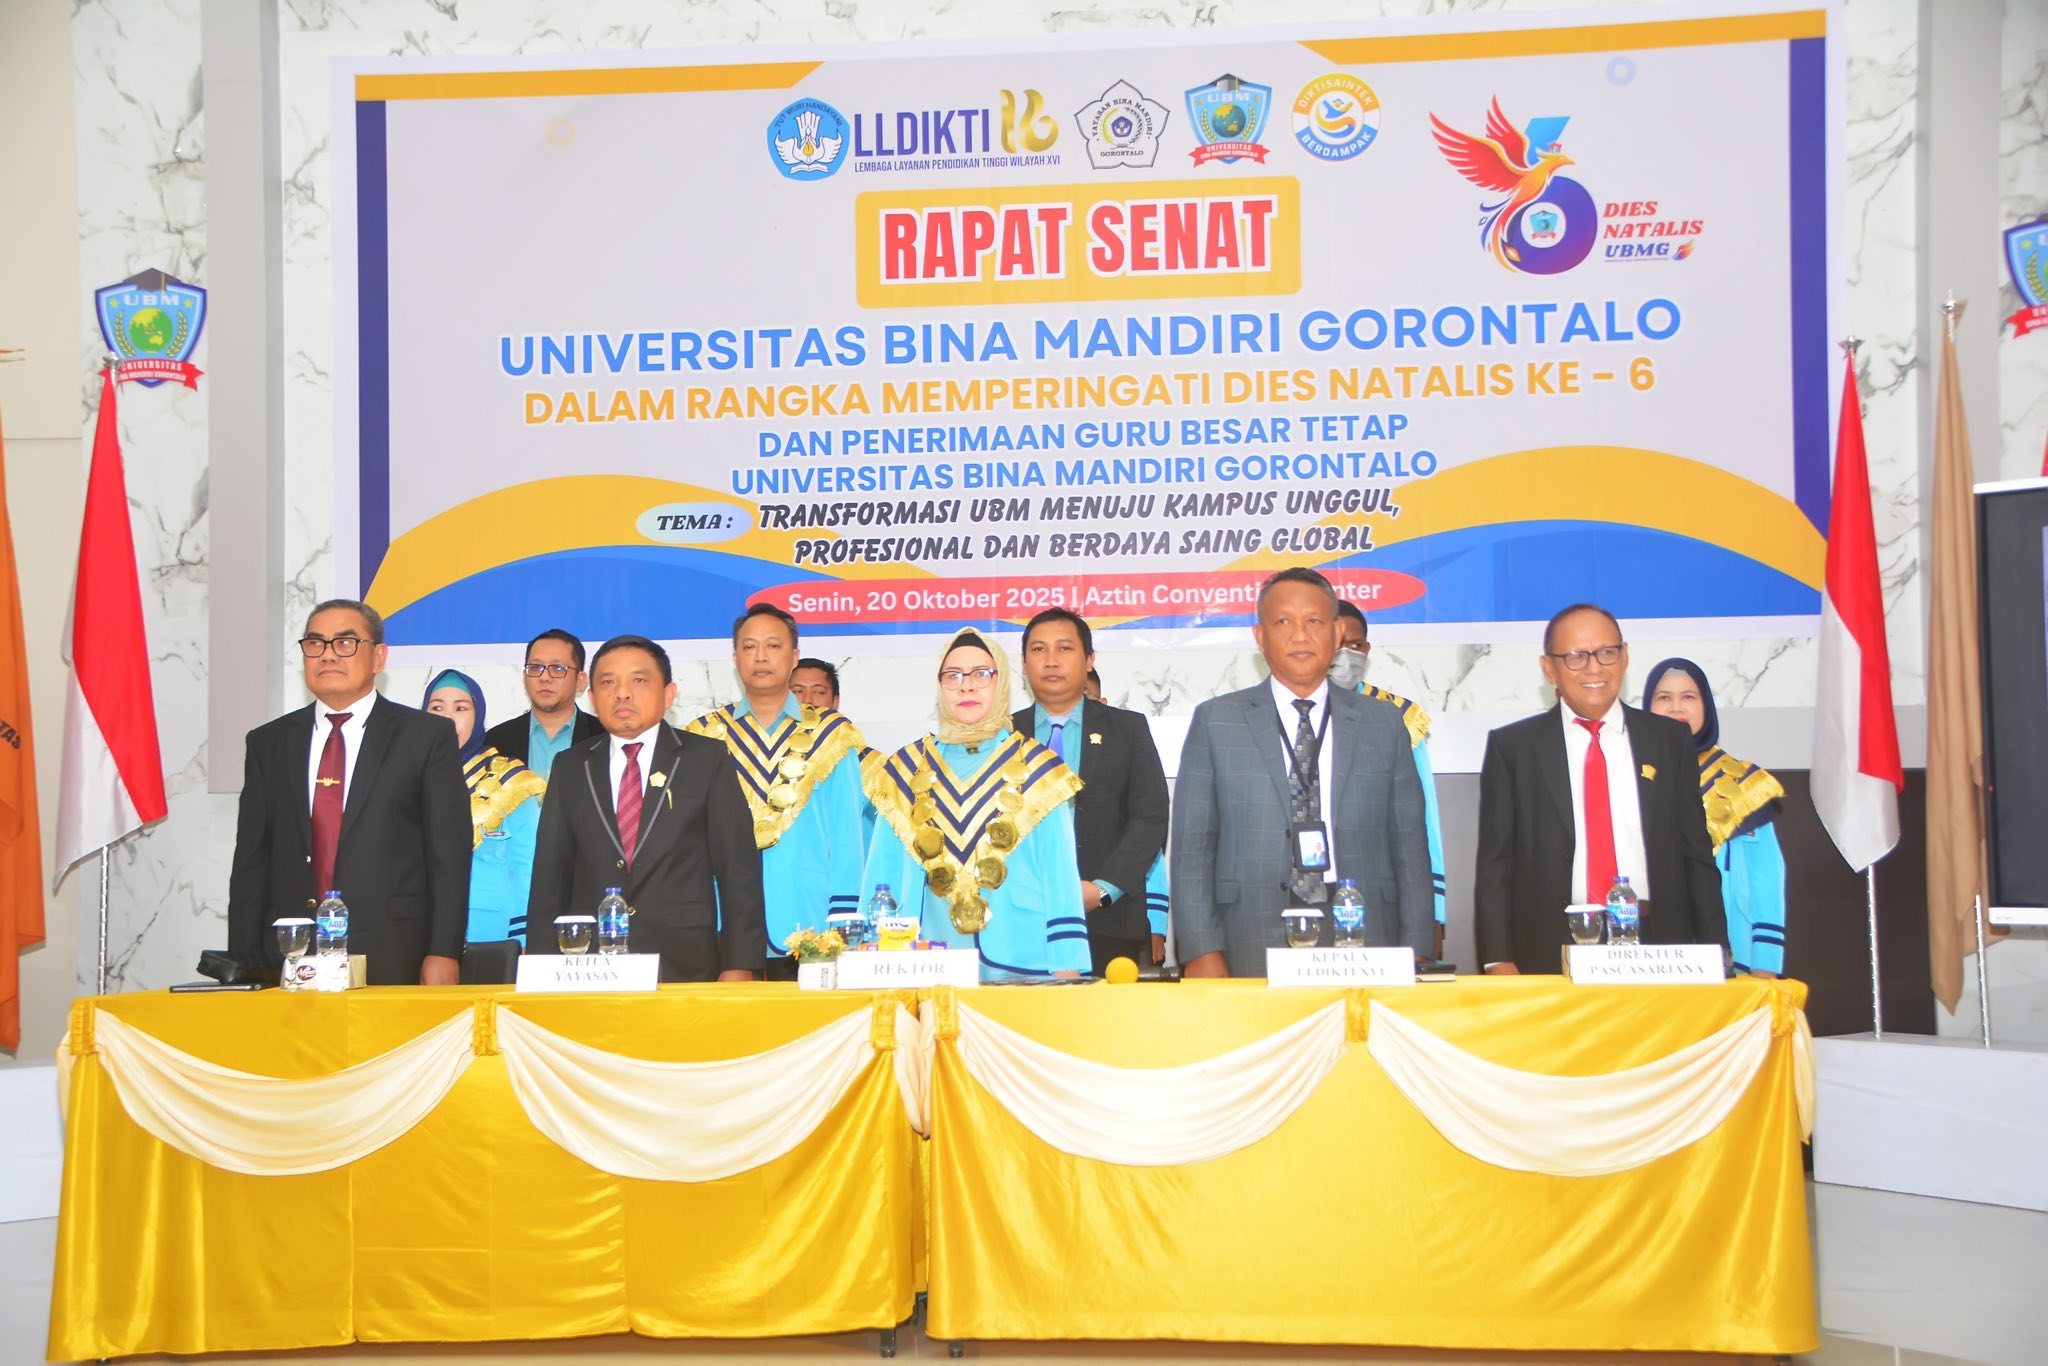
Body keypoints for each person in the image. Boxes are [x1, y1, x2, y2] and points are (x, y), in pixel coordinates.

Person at [1171, 568, 1434, 977]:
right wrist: (1201, 949)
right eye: (1283, 622)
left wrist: (1417, 946)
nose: (1299, 635)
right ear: (1260, 637)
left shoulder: (1384, 723)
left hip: (1363, 935)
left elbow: (1411, 847)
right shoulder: (1216, 721)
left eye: (1313, 621)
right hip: (1248, 932)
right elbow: (1192, 849)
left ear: (1336, 631)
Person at [226, 599, 470, 985]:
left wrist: (443, 951)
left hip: (394, 950)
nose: (327, 655)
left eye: (345, 643)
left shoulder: (424, 737)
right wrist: (241, 956)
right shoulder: (269, 743)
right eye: (316, 644)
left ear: (378, 657)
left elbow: (449, 856)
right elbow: (251, 862)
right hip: (288, 954)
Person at [1474, 604, 1728, 973]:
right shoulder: (1514, 747)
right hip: (1549, 949)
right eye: (1576, 657)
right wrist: (1499, 959)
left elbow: (1697, 856)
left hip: (1661, 950)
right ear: (1549, 669)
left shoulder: (1669, 741)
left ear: (1624, 658)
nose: (1594, 668)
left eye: (1606, 653)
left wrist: (1716, 952)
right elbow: (1496, 864)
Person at [525, 634, 765, 981]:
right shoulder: (572, 766)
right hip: (589, 968)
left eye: (638, 680)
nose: (622, 693)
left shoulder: (706, 759)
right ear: (591, 697)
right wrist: (542, 965)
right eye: (608, 682)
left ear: (669, 693)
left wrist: (740, 964)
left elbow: (737, 872)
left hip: (685, 963)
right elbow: (549, 876)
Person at [862, 631, 1088, 978]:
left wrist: (1067, 960)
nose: (966, 687)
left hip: (1023, 960)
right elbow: (882, 875)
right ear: (939, 686)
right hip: (921, 963)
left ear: (1002, 682)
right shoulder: (905, 770)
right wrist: (868, 956)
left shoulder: (1039, 768)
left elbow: (1059, 873)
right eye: (952, 676)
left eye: (981, 674)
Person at [684, 606, 871, 979]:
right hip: (723, 923)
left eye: (773, 645)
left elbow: (847, 836)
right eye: (749, 647)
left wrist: (844, 921)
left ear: (794, 656)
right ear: (736, 658)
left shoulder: (832, 735)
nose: (761, 656)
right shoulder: (703, 736)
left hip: (811, 924)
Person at [1013, 607, 1169, 970]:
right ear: (1023, 663)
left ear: (1089, 660)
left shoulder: (1128, 729)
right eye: (1038, 650)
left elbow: (1150, 817)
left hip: (1107, 920)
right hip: (1020, 920)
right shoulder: (1003, 734)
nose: (1051, 661)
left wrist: (1102, 889)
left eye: (1064, 649)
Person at [1644, 658, 1785, 977]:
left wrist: (1766, 963)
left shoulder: (1743, 785)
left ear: (1706, 705)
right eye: (1664, 697)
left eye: (1689, 697)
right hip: (1647, 959)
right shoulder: (1626, 777)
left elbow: (1767, 880)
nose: (1676, 707)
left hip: (1734, 958)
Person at [1333, 599, 1448, 956]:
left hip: (1381, 898)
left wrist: (1435, 913)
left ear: (1367, 650)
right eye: (1336, 645)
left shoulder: (1398, 716)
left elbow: (1423, 823)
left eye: (1354, 646)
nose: (1345, 655)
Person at [424, 668, 545, 946]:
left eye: (461, 708)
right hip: (419, 932)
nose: (447, 718)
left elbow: (529, 867)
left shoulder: (510, 781)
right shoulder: (405, 777)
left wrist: (523, 939)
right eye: (437, 707)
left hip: (491, 932)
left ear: (478, 716)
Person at [481, 628, 605, 780]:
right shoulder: (494, 743)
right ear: (525, 678)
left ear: (580, 681)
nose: (544, 677)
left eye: (557, 668)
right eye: (535, 668)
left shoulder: (605, 738)